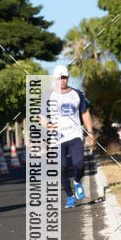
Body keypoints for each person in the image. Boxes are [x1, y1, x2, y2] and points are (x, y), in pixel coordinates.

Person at [46, 64, 96, 208]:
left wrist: (90, 132)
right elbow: (41, 116)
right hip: (57, 137)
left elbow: (85, 113)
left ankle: (76, 181)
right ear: (54, 79)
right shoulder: (48, 96)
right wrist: (47, 124)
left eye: (64, 77)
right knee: (61, 167)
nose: (62, 80)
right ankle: (69, 196)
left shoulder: (77, 94)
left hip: (74, 134)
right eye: (59, 78)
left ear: (68, 77)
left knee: (79, 164)